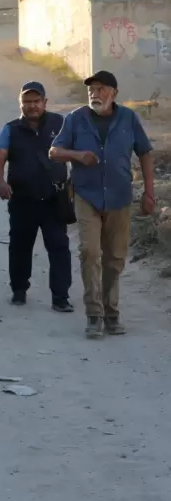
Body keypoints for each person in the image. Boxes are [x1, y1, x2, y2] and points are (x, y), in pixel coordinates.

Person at [49, 69, 155, 338]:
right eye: (91, 90)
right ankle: (94, 314)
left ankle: (111, 312)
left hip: (119, 198)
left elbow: (145, 153)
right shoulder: (76, 119)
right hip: (87, 196)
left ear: (113, 93)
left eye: (100, 89)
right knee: (89, 252)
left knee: (114, 258)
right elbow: (54, 151)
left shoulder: (129, 119)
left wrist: (149, 193)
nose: (94, 94)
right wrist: (78, 155)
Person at [0, 82, 72, 310]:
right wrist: (1, 182)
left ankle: (60, 297)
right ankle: (19, 290)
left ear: (45, 102)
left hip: (54, 198)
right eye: (27, 102)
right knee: (20, 246)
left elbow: (76, 152)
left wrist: (76, 183)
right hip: (22, 199)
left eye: (36, 101)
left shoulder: (61, 124)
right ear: (21, 104)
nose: (32, 106)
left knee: (59, 246)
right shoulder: (11, 129)